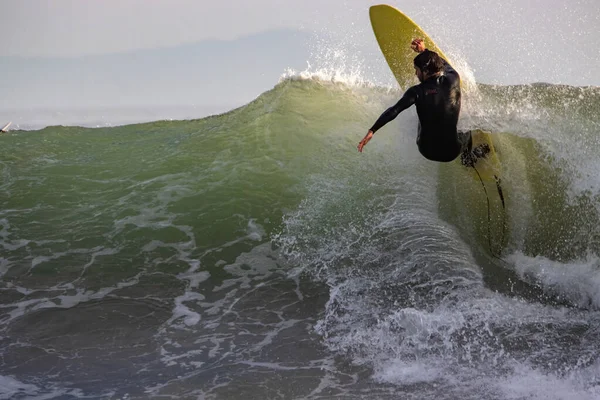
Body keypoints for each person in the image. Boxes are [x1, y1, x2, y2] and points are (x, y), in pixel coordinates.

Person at [357, 38, 487, 166]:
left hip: (426, 151)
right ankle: (467, 158)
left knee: (426, 111)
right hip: (451, 153)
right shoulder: (453, 79)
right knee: (466, 130)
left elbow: (394, 110)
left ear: (425, 71)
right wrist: (424, 50)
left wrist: (372, 130)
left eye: (417, 70)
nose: (415, 74)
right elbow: (445, 65)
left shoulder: (416, 91)